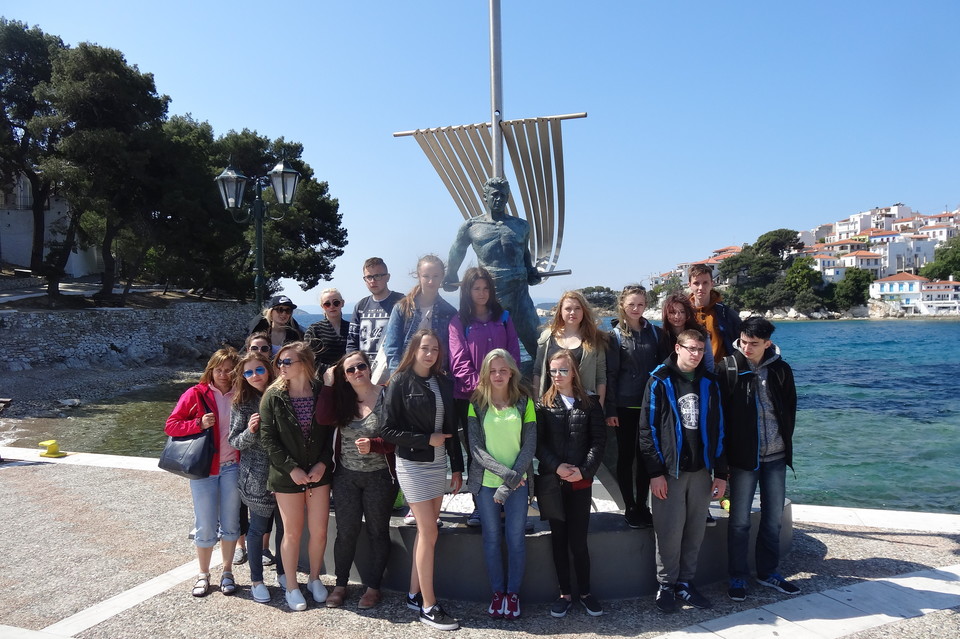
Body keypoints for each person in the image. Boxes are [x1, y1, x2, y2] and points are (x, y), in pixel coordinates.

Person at [638, 329, 728, 613]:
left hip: (701, 470)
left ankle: (686, 583)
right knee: (668, 531)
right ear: (678, 348)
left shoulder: (710, 382)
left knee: (695, 531)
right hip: (670, 471)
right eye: (691, 348)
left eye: (700, 350)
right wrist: (655, 473)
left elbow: (720, 429)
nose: (696, 354)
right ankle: (666, 585)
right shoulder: (659, 380)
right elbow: (647, 430)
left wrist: (721, 473)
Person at [380, 329, 464, 631]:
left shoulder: (443, 381)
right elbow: (387, 430)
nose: (430, 354)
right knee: (429, 531)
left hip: (438, 463)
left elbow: (451, 428)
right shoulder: (399, 382)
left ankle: (414, 594)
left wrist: (457, 468)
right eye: (425, 348)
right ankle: (429, 607)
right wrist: (426, 439)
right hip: (412, 464)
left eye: (435, 349)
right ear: (414, 349)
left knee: (426, 533)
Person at [717, 317, 799, 602]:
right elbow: (720, 417)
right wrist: (723, 462)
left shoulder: (781, 370)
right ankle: (737, 577)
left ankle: (768, 572)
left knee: (773, 519)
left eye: (754, 344)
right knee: (739, 521)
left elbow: (789, 408)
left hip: (776, 456)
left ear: (767, 343)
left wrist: (783, 440)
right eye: (743, 342)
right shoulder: (728, 368)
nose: (747, 348)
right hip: (743, 459)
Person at [259, 341, 334, 611]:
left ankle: (314, 579)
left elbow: (331, 432)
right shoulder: (273, 395)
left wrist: (323, 463)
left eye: (287, 361)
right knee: (292, 532)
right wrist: (292, 468)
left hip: (318, 474)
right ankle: (291, 585)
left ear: (304, 364)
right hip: (286, 475)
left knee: (320, 531)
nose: (281, 366)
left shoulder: (321, 392)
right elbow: (267, 438)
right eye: (279, 361)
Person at [165, 347, 241, 598]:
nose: (224, 374)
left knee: (231, 522)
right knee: (205, 523)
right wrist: (198, 423)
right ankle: (203, 574)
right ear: (211, 370)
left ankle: (227, 572)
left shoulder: (241, 394)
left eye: (229, 370)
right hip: (205, 469)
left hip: (233, 467)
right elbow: (171, 426)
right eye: (219, 369)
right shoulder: (195, 393)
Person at [536, 350, 607, 618]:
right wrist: (557, 467)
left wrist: (584, 471)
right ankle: (564, 593)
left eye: (563, 370)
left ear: (574, 371)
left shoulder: (590, 403)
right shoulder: (543, 405)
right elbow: (538, 443)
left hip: (580, 483)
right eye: (553, 371)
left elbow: (598, 442)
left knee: (578, 541)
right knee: (558, 539)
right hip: (553, 484)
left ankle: (585, 593)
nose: (557, 375)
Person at [448, 266, 521, 527]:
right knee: (477, 452)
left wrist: (506, 387)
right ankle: (480, 506)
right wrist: (483, 390)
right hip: (472, 398)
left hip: (505, 396)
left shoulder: (504, 317)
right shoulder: (459, 322)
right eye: (476, 288)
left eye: (486, 288)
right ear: (467, 291)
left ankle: (509, 504)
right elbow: (459, 362)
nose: (481, 293)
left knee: (505, 449)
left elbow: (513, 353)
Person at [466, 349, 536, 619]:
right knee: (492, 539)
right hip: (487, 484)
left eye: (503, 370)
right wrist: (508, 476)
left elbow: (529, 445)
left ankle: (513, 594)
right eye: (493, 370)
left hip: (519, 483)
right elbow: (476, 449)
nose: (498, 375)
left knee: (516, 539)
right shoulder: (476, 403)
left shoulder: (524, 402)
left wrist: (512, 480)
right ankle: (498, 593)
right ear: (486, 373)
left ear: (511, 373)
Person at [327, 350, 398, 610]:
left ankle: (373, 587)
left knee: (377, 531)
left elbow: (399, 436)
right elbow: (322, 418)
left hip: (380, 476)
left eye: (361, 366)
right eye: (350, 370)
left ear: (369, 368)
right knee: (346, 532)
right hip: (345, 476)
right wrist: (327, 385)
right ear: (344, 376)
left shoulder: (387, 396)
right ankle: (340, 585)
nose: (357, 372)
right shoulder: (340, 400)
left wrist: (376, 445)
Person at [443, 177, 542, 357]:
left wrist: (531, 271)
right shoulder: (471, 226)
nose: (499, 199)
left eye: (503, 195)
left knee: (538, 344)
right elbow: (457, 250)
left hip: (520, 294)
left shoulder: (521, 226)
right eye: (495, 195)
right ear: (485, 197)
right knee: (490, 348)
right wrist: (451, 274)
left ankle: (545, 375)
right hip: (490, 295)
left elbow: (524, 252)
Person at [604, 284, 665, 529]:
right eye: (631, 304)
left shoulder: (656, 334)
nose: (636, 309)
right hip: (624, 406)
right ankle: (629, 506)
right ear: (622, 305)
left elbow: (663, 369)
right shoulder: (614, 336)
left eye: (640, 304)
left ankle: (643, 505)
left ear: (646, 305)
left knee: (645, 457)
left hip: (649, 405)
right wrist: (610, 409)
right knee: (626, 456)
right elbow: (610, 375)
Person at [227, 351, 284, 604]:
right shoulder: (242, 403)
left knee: (285, 529)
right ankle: (256, 580)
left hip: (285, 474)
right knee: (257, 528)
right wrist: (250, 431)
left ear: (268, 370)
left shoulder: (283, 394)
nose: (254, 376)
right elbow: (234, 441)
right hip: (256, 477)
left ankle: (284, 573)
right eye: (248, 372)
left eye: (259, 370)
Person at [382, 254, 458, 374]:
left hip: (437, 377)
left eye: (436, 276)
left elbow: (451, 352)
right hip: (406, 375)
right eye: (426, 276)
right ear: (418, 276)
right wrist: (397, 377)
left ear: (442, 276)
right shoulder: (402, 308)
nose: (431, 281)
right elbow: (392, 347)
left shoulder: (450, 312)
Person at [533, 291, 607, 405]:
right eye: (568, 309)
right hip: (550, 405)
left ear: (584, 311)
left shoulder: (594, 339)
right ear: (560, 311)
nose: (573, 312)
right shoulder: (547, 337)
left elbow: (600, 377)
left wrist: (599, 408)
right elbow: (538, 371)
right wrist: (536, 403)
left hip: (583, 406)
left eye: (577, 308)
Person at [346, 257, 404, 360]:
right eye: (369, 277)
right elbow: (352, 342)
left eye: (377, 276)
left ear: (387, 277)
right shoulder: (361, 306)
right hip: (365, 368)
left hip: (393, 366)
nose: (373, 281)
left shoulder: (402, 302)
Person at [688, 264, 741, 361]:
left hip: (721, 367)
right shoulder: (684, 314)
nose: (701, 287)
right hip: (691, 368)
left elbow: (742, 342)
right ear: (689, 285)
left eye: (705, 283)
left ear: (712, 284)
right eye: (696, 283)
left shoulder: (726, 314)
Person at [660, 292, 715, 372]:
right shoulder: (660, 335)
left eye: (682, 312)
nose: (677, 316)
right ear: (666, 314)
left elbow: (709, 363)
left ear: (687, 313)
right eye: (672, 312)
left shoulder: (701, 333)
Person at [305, 288, 351, 376]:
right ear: (322, 306)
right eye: (327, 304)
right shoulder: (314, 329)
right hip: (324, 378)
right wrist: (335, 371)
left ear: (342, 303)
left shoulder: (352, 328)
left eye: (336, 303)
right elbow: (309, 358)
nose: (332, 306)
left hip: (350, 376)